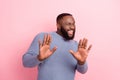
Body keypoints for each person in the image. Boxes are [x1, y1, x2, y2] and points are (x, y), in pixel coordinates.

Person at [22, 13, 92, 80]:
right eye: (68, 24)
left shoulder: (77, 45)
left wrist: (82, 62)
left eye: (73, 24)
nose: (72, 27)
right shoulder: (44, 37)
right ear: (58, 25)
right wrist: (39, 58)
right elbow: (25, 62)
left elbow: (83, 71)